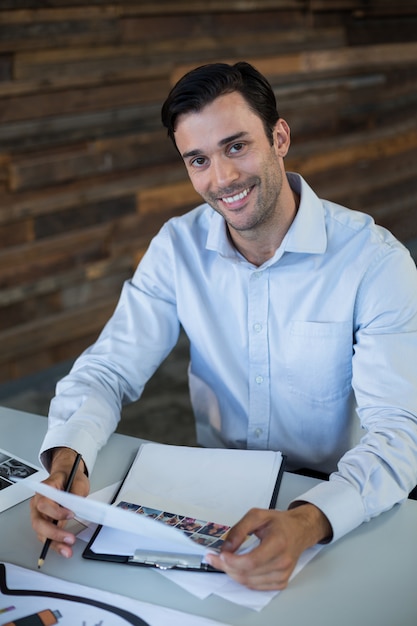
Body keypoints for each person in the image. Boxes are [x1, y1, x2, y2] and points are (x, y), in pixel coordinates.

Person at [31, 61, 417, 591]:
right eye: (198, 159)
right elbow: (109, 369)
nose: (222, 179)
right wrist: (68, 459)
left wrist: (308, 520)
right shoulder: (177, 246)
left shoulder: (376, 263)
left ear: (279, 137)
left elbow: (399, 432)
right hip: (212, 499)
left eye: (237, 146)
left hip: (338, 499)